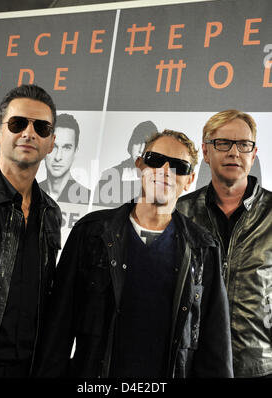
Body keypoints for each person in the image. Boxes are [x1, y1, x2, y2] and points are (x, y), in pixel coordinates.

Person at [35, 130, 233, 378]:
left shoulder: (203, 248)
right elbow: (58, 328)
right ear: (140, 165)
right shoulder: (91, 233)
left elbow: (215, 349)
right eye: (155, 159)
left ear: (190, 179)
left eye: (179, 166)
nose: (164, 171)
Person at [0, 84, 62, 378]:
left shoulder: (50, 213)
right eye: (18, 123)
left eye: (42, 127)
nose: (29, 133)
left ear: (51, 142)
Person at [177, 109, 272, 378]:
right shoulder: (180, 212)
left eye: (244, 144)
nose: (234, 152)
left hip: (258, 364)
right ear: (206, 153)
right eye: (223, 143)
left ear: (253, 154)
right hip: (191, 363)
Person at [94, 120, 158, 207]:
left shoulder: (159, 180)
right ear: (131, 145)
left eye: (146, 145)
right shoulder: (109, 175)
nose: (141, 150)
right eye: (138, 143)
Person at [40, 113, 90, 204]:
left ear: (75, 152)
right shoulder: (25, 194)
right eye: (53, 146)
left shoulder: (88, 200)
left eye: (66, 147)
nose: (58, 157)